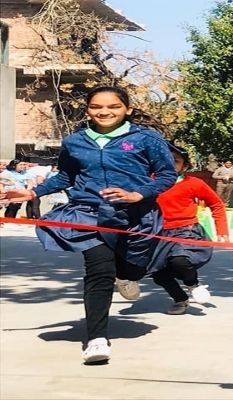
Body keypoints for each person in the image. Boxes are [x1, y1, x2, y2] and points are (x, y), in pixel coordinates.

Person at [1, 86, 177, 364]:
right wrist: (34, 192)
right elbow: (66, 177)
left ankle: (126, 274)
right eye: (96, 106)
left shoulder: (146, 138)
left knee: (134, 268)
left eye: (113, 106)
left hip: (136, 215)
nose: (104, 112)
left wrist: (138, 194)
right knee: (99, 268)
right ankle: (96, 339)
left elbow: (167, 174)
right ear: (87, 110)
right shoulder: (75, 141)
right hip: (89, 213)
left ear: (128, 109)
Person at [152, 144, 228, 315]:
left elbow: (216, 204)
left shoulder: (194, 183)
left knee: (179, 260)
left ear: (184, 166)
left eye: (175, 161)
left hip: (186, 231)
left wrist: (222, 230)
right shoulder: (149, 183)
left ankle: (193, 284)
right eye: (164, 160)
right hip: (158, 233)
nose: (169, 164)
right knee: (158, 274)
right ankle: (180, 299)